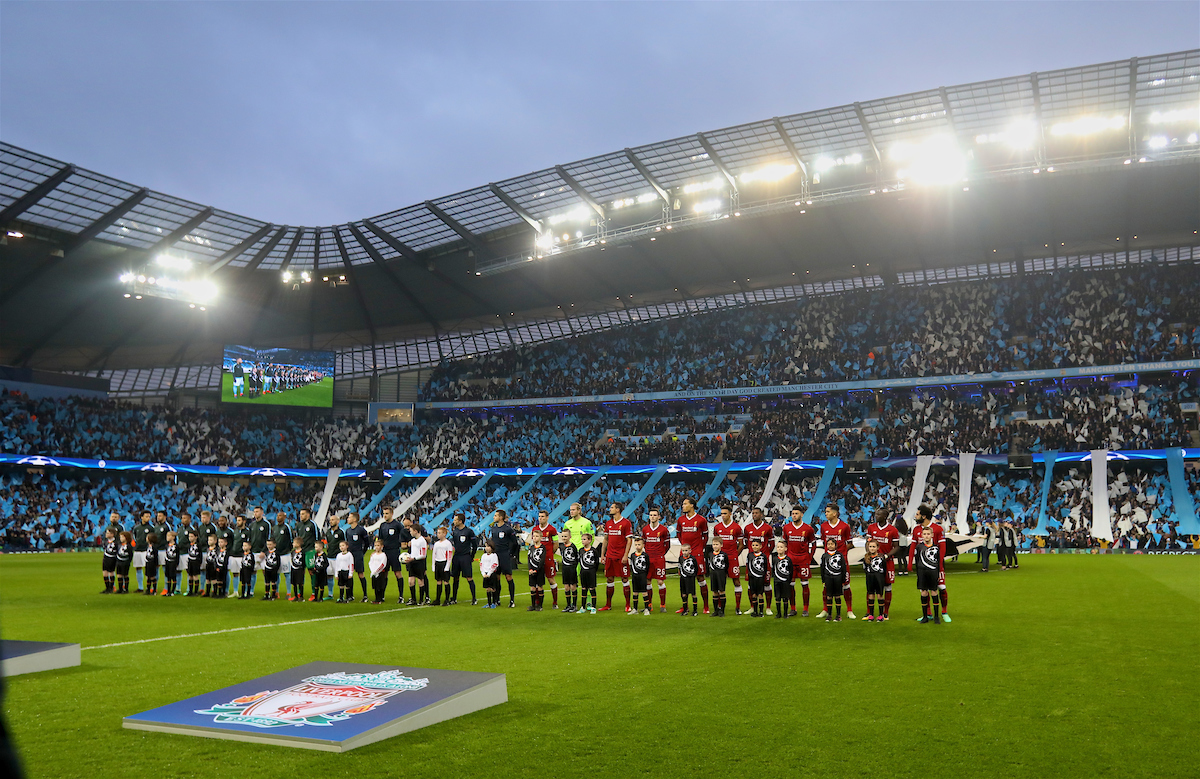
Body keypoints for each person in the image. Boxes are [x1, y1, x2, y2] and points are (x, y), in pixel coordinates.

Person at [908, 505, 950, 621]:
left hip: (935, 566)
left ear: (924, 516)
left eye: (917, 514)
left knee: (940, 587)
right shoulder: (916, 529)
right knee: (924, 589)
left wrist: (939, 565)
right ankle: (928, 613)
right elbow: (913, 547)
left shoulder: (937, 529)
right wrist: (910, 562)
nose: (915, 517)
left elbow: (942, 548)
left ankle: (944, 612)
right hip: (922, 566)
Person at [819, 504, 856, 619]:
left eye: (828, 511)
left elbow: (850, 543)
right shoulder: (824, 526)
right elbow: (824, 542)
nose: (826, 514)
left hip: (841, 562)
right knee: (826, 586)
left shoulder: (844, 526)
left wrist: (840, 553)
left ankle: (849, 610)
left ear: (834, 513)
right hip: (827, 563)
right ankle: (825, 609)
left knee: (846, 585)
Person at [675, 497, 710, 614]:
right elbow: (679, 535)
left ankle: (706, 606)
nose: (682, 506)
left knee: (700, 578)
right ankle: (685, 606)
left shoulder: (701, 520)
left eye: (685, 504)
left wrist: (699, 548)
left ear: (692, 505)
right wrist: (685, 548)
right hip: (684, 553)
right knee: (683, 579)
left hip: (697, 553)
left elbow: (705, 537)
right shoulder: (680, 520)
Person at [781, 507, 817, 617]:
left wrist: (809, 557)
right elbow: (784, 543)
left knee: (804, 584)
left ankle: (805, 608)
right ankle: (793, 608)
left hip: (803, 560)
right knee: (790, 585)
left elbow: (814, 544)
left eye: (796, 513)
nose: (794, 515)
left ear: (801, 515)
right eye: (792, 513)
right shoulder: (786, 528)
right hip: (791, 561)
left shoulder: (808, 529)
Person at [600, 502, 634, 613]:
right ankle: (608, 604)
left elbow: (629, 540)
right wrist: (602, 555)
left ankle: (628, 605)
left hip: (620, 556)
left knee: (624, 579)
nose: (610, 509)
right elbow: (605, 539)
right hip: (610, 556)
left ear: (618, 509)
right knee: (609, 579)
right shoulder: (608, 523)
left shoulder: (626, 523)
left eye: (612, 507)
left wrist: (625, 555)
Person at [866, 508, 900, 619]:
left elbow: (897, 547)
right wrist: (869, 553)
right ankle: (869, 612)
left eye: (879, 514)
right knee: (871, 586)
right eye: (876, 513)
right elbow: (867, 543)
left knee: (887, 586)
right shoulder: (871, 528)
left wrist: (886, 555)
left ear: (885, 516)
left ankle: (885, 612)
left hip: (887, 561)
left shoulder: (892, 530)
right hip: (873, 561)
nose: (876, 515)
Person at [713, 506, 744, 614]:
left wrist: (735, 555)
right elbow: (716, 543)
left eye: (725, 513)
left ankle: (738, 607)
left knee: (736, 581)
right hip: (720, 559)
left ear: (730, 514)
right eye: (721, 514)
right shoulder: (717, 527)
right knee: (720, 583)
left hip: (732, 558)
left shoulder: (736, 528)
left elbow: (741, 544)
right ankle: (720, 608)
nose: (723, 516)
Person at [744, 508, 775, 615]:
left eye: (756, 513)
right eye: (753, 513)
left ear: (761, 514)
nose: (754, 515)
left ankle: (768, 608)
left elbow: (772, 544)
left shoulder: (768, 528)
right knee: (750, 585)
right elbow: (745, 543)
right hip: (751, 562)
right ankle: (753, 607)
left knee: (766, 584)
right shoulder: (748, 528)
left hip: (763, 562)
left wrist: (765, 554)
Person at [641, 508, 671, 613]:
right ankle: (649, 604)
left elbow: (667, 545)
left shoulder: (664, 530)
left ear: (659, 517)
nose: (652, 517)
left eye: (654, 515)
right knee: (648, 581)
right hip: (648, 559)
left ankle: (662, 605)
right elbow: (643, 543)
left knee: (660, 581)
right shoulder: (645, 530)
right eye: (651, 515)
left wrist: (661, 554)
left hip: (659, 559)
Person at [488, 510, 520, 608]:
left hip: (504, 555)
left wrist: (510, 553)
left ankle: (512, 600)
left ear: (501, 517)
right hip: (495, 556)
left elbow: (515, 543)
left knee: (508, 577)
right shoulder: (493, 529)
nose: (494, 517)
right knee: (496, 578)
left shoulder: (508, 529)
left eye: (496, 515)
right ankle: (497, 600)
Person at [376, 506, 407, 604]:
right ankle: (382, 596)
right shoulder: (382, 525)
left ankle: (401, 596)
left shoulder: (398, 525)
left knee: (397, 573)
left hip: (394, 551)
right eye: (384, 513)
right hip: (384, 552)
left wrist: (404, 544)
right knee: (383, 574)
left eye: (387, 513)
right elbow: (380, 539)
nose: (385, 515)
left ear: (392, 514)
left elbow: (404, 535)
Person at [914, 526, 943, 624]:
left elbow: (939, 561)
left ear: (932, 535)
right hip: (922, 573)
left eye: (928, 534)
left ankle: (936, 617)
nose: (926, 536)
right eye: (925, 534)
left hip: (933, 572)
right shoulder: (919, 547)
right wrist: (918, 573)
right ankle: (925, 616)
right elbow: (917, 560)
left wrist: (938, 573)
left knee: (934, 592)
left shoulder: (936, 548)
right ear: (922, 535)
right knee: (924, 593)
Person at [448, 513, 477, 605]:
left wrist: (471, 556)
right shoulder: (455, 531)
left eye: (455, 520)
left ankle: (474, 598)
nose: (454, 521)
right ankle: (454, 598)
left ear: (460, 521)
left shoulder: (469, 531)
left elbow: (475, 545)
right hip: (456, 557)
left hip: (465, 557)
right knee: (455, 578)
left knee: (469, 577)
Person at [533, 511, 560, 609]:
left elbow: (556, 544)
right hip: (537, 559)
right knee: (537, 580)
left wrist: (549, 554)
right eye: (539, 516)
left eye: (543, 516)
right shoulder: (535, 529)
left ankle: (555, 602)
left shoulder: (552, 529)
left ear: (547, 517)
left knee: (551, 579)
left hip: (548, 558)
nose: (540, 518)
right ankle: (537, 602)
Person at [345, 512, 370, 602]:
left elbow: (367, 542)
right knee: (349, 574)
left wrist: (362, 552)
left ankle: (365, 595)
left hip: (358, 554)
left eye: (349, 517)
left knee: (360, 574)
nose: (348, 519)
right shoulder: (348, 531)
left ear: (354, 519)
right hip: (349, 555)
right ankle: (350, 595)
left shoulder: (361, 530)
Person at [862, 539, 888, 622]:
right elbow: (865, 569)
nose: (872, 548)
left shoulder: (881, 557)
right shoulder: (866, 557)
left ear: (877, 547)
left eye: (874, 546)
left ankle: (881, 615)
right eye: (870, 547)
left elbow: (884, 568)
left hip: (879, 578)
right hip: (870, 578)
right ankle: (871, 614)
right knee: (871, 595)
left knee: (880, 595)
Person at [819, 537, 845, 622]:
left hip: (837, 578)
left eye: (832, 544)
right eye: (828, 544)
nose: (830, 546)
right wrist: (823, 580)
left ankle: (838, 615)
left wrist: (843, 580)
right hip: (828, 578)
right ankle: (829, 615)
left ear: (835, 545)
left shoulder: (840, 555)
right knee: (829, 596)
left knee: (837, 596)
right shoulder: (824, 556)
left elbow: (843, 568)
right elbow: (822, 568)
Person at [770, 540, 793, 620]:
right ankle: (778, 613)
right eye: (778, 547)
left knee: (785, 597)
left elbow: (791, 571)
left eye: (781, 547)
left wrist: (788, 580)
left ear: (785, 549)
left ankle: (785, 613)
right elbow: (773, 569)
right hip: (777, 581)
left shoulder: (788, 559)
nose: (779, 549)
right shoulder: (775, 559)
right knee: (777, 597)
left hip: (785, 581)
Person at [746, 539, 769, 618]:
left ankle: (761, 612)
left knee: (760, 594)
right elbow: (748, 565)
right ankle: (755, 611)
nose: (755, 547)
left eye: (756, 545)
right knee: (753, 594)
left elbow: (765, 567)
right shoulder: (749, 555)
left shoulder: (763, 556)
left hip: (760, 578)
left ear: (760, 546)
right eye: (753, 545)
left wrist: (763, 575)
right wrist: (748, 574)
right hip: (752, 577)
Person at [431, 526, 454, 606]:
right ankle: (437, 599)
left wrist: (447, 566)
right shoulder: (436, 544)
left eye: (440, 533)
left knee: (446, 581)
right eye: (437, 533)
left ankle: (447, 599)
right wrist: (433, 565)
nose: (438, 534)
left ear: (444, 534)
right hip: (438, 563)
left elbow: (449, 556)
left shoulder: (448, 543)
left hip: (444, 563)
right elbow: (434, 554)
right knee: (438, 581)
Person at [578, 533, 600, 614]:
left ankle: (593, 607)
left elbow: (597, 562)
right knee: (584, 589)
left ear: (589, 540)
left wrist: (593, 570)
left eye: (584, 539)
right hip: (583, 572)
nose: (582, 541)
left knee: (592, 589)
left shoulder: (594, 550)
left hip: (591, 572)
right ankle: (583, 607)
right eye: (582, 539)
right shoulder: (581, 550)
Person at [628, 537, 651, 616]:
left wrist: (645, 575)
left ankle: (646, 609)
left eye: (639, 544)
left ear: (643, 545)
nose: (637, 546)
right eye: (636, 545)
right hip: (635, 576)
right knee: (635, 592)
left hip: (642, 576)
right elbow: (631, 565)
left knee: (644, 592)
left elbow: (648, 566)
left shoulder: (645, 555)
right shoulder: (632, 555)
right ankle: (635, 609)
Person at [558, 528, 579, 613]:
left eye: (566, 536)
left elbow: (576, 558)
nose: (564, 538)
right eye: (562, 536)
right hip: (565, 568)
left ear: (570, 537)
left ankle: (574, 605)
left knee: (572, 586)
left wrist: (573, 565)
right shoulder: (561, 546)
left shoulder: (573, 546)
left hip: (571, 568)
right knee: (566, 587)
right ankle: (568, 605)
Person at [407, 527, 429, 606]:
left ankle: (421, 600)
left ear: (415, 531)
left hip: (420, 563)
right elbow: (413, 552)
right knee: (411, 581)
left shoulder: (422, 541)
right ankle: (413, 599)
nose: (410, 533)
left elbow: (423, 554)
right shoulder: (413, 541)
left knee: (420, 581)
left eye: (411, 531)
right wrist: (408, 557)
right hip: (412, 562)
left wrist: (414, 558)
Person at [131, 510, 152, 592]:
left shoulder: (151, 528)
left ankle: (148, 586)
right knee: (138, 568)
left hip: (146, 550)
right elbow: (135, 538)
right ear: (141, 517)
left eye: (149, 517)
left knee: (148, 569)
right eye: (146, 516)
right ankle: (140, 587)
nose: (148, 518)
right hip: (137, 550)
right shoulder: (137, 528)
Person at [708, 536, 729, 617]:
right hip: (713, 575)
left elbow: (726, 564)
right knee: (714, 592)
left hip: (721, 575)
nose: (715, 546)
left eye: (717, 544)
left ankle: (722, 611)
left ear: (721, 545)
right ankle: (715, 610)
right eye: (713, 544)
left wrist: (725, 573)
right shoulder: (710, 554)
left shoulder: (724, 555)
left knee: (722, 591)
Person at [526, 529, 546, 612]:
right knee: (533, 588)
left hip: (539, 571)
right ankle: (533, 605)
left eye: (537, 536)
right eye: (533, 536)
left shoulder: (542, 548)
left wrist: (536, 570)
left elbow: (542, 560)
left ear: (541, 537)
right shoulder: (531, 548)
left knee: (540, 587)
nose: (535, 538)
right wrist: (530, 569)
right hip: (532, 570)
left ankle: (540, 605)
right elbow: (529, 559)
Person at [678, 544, 699, 616]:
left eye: (686, 550)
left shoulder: (693, 559)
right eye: (683, 550)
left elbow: (696, 568)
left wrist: (693, 575)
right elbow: (679, 567)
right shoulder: (680, 558)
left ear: (690, 551)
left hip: (690, 578)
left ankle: (695, 610)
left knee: (693, 594)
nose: (684, 552)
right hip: (683, 578)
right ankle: (685, 610)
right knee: (684, 594)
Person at [479, 540, 500, 609]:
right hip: (485, 574)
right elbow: (481, 564)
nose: (487, 548)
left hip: (491, 574)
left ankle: (494, 602)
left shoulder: (494, 555)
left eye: (488, 546)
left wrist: (489, 573)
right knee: (487, 589)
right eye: (486, 546)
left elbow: (495, 565)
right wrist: (483, 573)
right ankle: (488, 603)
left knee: (492, 588)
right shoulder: (483, 556)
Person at [368, 538, 389, 604]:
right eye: (375, 545)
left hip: (380, 572)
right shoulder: (373, 555)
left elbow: (383, 564)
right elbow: (370, 563)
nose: (376, 547)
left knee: (380, 586)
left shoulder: (383, 555)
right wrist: (372, 571)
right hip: (374, 572)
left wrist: (377, 571)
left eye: (378, 545)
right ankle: (376, 598)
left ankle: (380, 598)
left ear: (382, 546)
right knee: (375, 586)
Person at [101, 528, 118, 594]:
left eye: (108, 533)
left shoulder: (115, 543)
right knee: (104, 573)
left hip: (112, 558)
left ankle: (111, 587)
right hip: (106, 558)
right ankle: (107, 588)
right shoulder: (105, 541)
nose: (106, 534)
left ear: (112, 534)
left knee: (111, 572)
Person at [162, 531, 179, 597]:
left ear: (173, 537)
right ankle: (168, 591)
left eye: (169, 536)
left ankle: (172, 591)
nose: (167, 537)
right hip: (168, 562)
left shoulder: (176, 546)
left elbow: (177, 555)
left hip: (173, 562)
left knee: (173, 576)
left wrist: (176, 563)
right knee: (168, 576)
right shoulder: (166, 545)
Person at [185, 531, 203, 596]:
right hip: (190, 561)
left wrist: (199, 562)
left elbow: (200, 554)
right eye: (189, 536)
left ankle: (195, 591)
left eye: (192, 536)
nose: (190, 538)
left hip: (196, 562)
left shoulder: (198, 545)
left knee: (195, 576)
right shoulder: (188, 545)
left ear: (196, 537)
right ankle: (190, 590)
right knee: (190, 576)